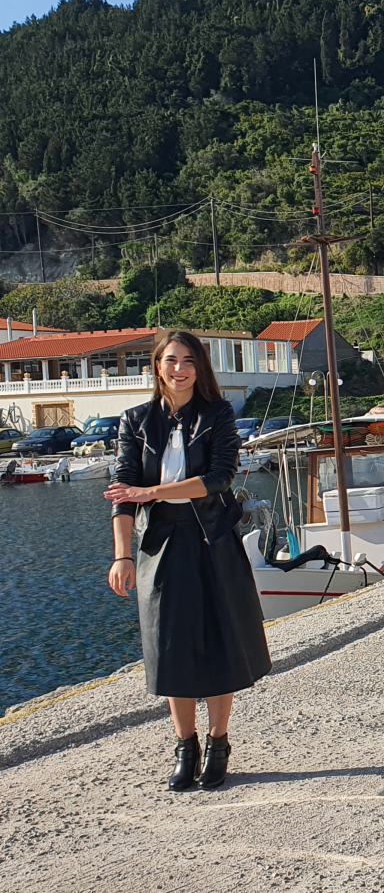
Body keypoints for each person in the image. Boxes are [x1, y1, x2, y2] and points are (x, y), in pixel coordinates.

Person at [105, 331, 272, 792]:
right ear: (157, 365)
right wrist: (122, 555)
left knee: (219, 642)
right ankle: (186, 745)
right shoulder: (135, 421)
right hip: (160, 545)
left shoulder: (218, 414)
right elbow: (122, 496)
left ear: (200, 368)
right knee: (169, 648)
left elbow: (219, 478)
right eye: (170, 360)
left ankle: (219, 743)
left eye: (189, 362)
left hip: (212, 539)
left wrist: (152, 492)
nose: (179, 369)